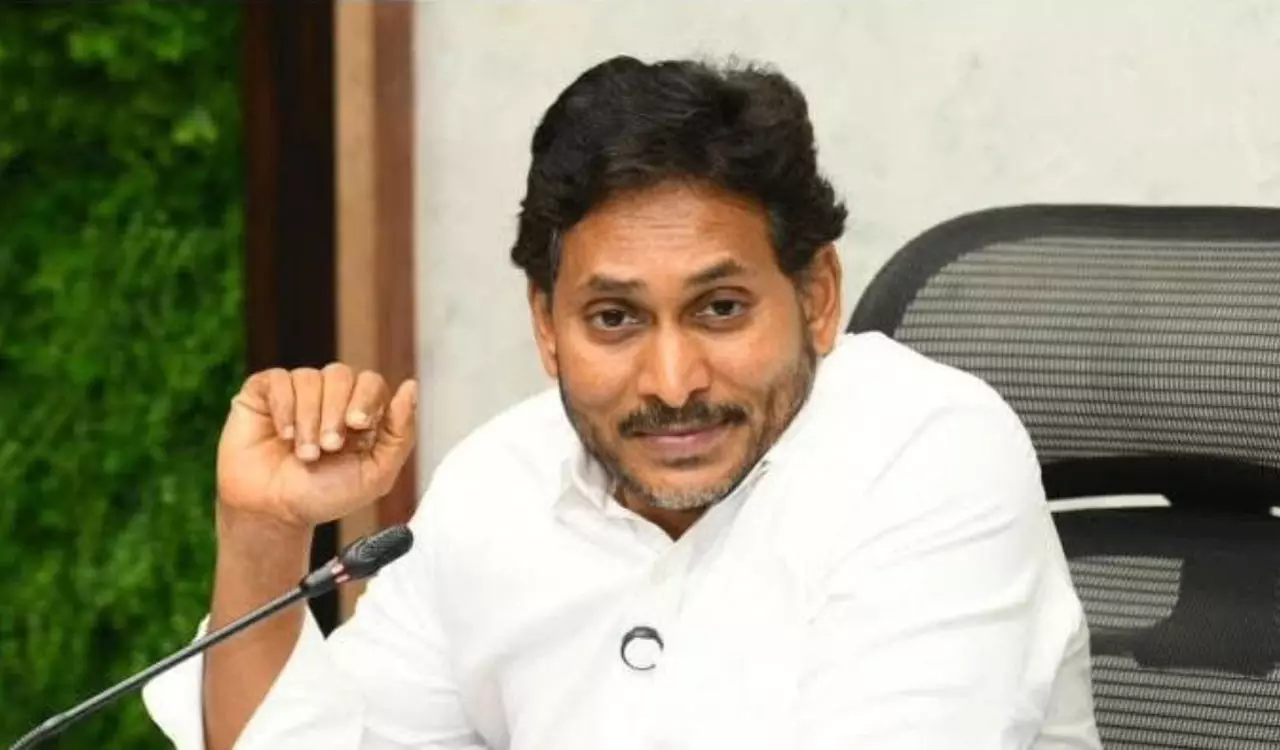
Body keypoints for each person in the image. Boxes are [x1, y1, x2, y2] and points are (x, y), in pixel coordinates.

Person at [143, 55, 1100, 749]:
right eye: (615, 319)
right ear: (546, 325)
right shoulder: (497, 483)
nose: (672, 382)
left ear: (815, 297)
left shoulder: (931, 451)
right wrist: (263, 535)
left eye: (720, 309)